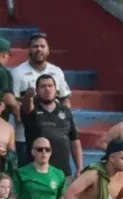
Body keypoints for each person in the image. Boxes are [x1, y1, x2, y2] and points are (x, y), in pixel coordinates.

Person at [10, 33, 73, 166]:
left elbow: (65, 99)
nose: (39, 49)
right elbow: (13, 103)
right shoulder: (18, 72)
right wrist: (19, 116)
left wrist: (65, 117)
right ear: (29, 50)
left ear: (48, 49)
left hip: (54, 136)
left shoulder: (57, 71)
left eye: (42, 46)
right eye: (35, 46)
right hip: (25, 136)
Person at [20, 74, 81, 178]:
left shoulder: (65, 111)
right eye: (43, 86)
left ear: (55, 89)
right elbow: (26, 108)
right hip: (37, 174)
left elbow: (75, 141)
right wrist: (28, 96)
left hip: (63, 174)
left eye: (50, 86)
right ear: (37, 90)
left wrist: (79, 168)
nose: (47, 89)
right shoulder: (32, 110)